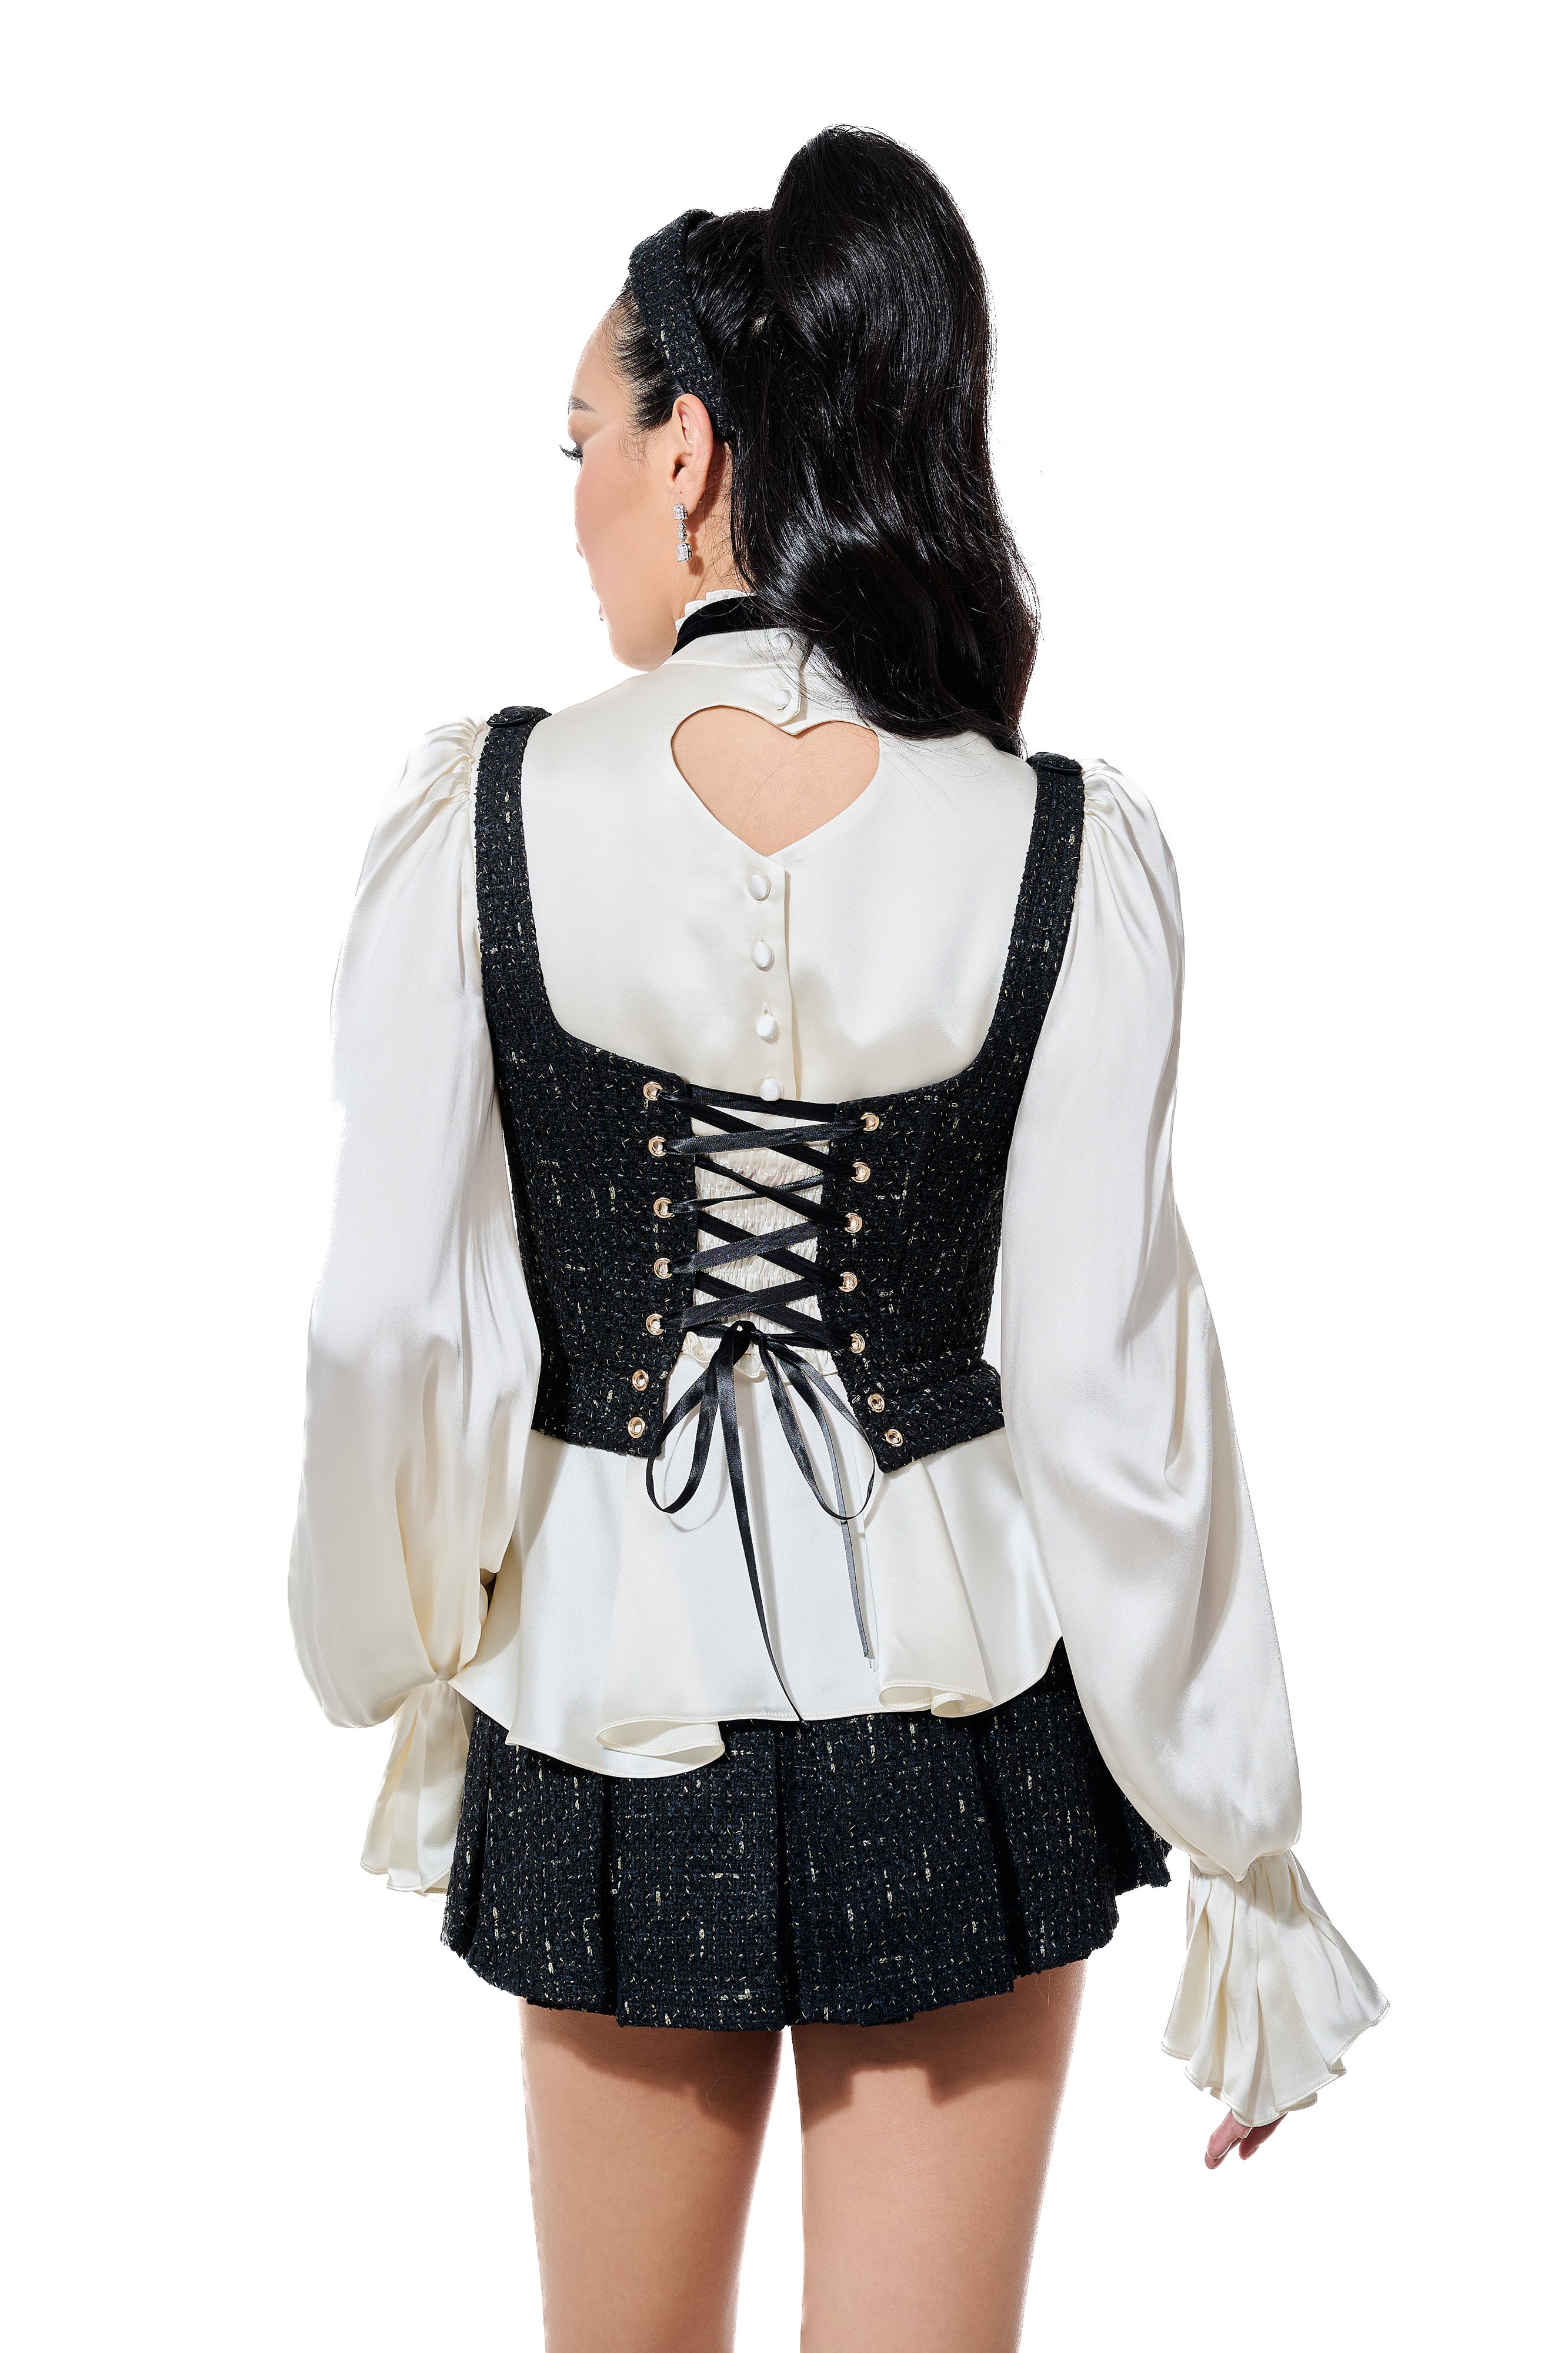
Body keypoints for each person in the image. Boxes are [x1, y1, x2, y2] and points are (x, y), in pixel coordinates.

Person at [289, 125, 1386, 2353]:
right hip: (960, 1715)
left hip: (602, 1702)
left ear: (691, 455)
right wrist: (1244, 1855)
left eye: (583, 440)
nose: (576, 496)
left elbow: (391, 1328)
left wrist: (403, 1646)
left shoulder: (489, 815)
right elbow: (1106, 1389)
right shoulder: (1053, 841)